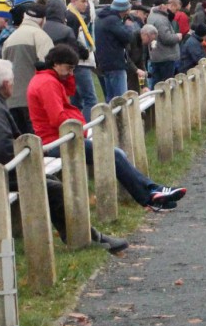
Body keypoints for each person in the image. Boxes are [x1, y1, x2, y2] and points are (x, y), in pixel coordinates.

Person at [0, 59, 128, 253]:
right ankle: (83, 237)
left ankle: (87, 235)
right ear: (6, 84)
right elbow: (2, 150)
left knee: (49, 181)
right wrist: (29, 160)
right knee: (54, 188)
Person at [28, 45, 187, 211]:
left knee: (116, 154)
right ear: (56, 64)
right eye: (69, 68)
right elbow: (57, 118)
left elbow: (66, 99)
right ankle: (151, 194)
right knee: (114, 154)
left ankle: (151, 195)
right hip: (57, 141)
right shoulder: (47, 83)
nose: (71, 73)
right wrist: (78, 122)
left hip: (62, 138)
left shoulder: (48, 80)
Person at [1, 3, 53, 135]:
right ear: (42, 20)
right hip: (33, 101)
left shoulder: (9, 39)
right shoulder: (40, 36)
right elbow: (50, 68)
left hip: (11, 101)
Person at [94, 0, 135, 102]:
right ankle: (119, 119)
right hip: (115, 63)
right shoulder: (113, 20)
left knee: (110, 97)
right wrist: (129, 27)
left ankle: (111, 118)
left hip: (105, 63)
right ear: (125, 9)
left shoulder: (101, 18)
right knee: (120, 99)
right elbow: (128, 37)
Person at [66, 0, 99, 121]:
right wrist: (84, 52)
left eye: (87, 2)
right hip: (80, 63)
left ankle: (78, 127)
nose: (86, 4)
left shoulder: (76, 16)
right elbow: (72, 39)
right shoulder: (72, 17)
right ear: (73, 1)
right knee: (91, 100)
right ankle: (86, 130)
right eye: (83, 1)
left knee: (76, 102)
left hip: (78, 63)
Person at [146, 0, 182, 88]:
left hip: (156, 55)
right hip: (165, 56)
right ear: (162, 6)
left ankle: (155, 101)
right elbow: (166, 38)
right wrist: (177, 37)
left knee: (156, 83)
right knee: (166, 85)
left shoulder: (152, 16)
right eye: (166, 4)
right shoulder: (161, 19)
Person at [124, 5, 151, 92]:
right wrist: (136, 70)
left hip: (133, 71)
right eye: (149, 39)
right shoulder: (131, 39)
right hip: (126, 72)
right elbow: (126, 58)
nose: (149, 43)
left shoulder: (142, 42)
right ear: (145, 35)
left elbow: (140, 64)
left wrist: (144, 86)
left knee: (136, 92)